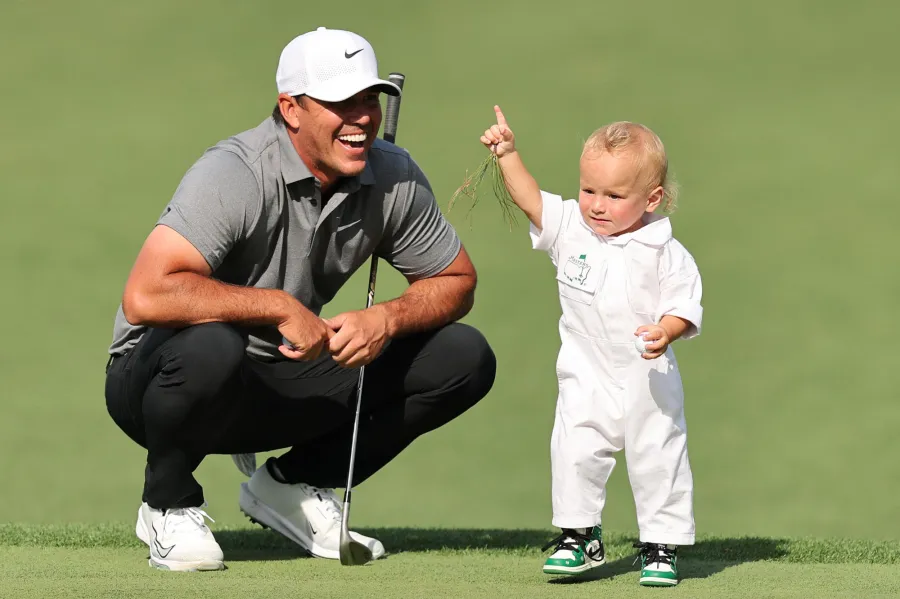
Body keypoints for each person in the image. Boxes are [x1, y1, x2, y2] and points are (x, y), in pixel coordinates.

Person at [104, 27, 496, 572]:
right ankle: (166, 504)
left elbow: (456, 280)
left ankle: (292, 484)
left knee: (463, 357)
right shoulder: (235, 172)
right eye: (341, 103)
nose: (362, 117)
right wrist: (282, 307)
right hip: (157, 382)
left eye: (370, 99)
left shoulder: (393, 175)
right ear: (291, 108)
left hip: (289, 378)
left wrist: (385, 317)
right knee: (212, 346)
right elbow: (146, 294)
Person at [478, 106, 702, 586]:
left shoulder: (665, 250)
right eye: (588, 190)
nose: (597, 205)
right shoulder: (573, 229)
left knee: (657, 453)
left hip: (647, 375)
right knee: (574, 448)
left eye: (615, 195)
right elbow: (532, 201)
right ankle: (579, 537)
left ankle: (661, 544)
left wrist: (667, 330)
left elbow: (685, 303)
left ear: (652, 198)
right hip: (585, 367)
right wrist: (508, 154)